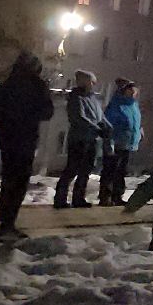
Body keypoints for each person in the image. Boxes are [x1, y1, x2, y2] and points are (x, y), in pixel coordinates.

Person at [0, 52, 54, 241]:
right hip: (26, 138)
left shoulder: (8, 84)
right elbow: (47, 111)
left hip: (9, 138)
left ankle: (5, 221)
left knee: (9, 180)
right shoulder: (37, 85)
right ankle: (8, 223)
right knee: (18, 182)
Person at [54, 70, 109, 209]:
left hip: (92, 139)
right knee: (72, 169)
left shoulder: (92, 98)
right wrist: (97, 128)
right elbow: (79, 118)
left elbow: (100, 116)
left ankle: (79, 198)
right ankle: (60, 198)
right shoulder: (76, 98)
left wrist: (107, 127)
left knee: (86, 170)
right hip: (79, 138)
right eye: (91, 82)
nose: (93, 85)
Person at [99, 79, 142, 205]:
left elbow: (135, 122)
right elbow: (109, 124)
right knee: (110, 169)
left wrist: (139, 132)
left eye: (135, 91)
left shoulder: (133, 105)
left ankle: (117, 195)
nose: (134, 93)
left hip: (127, 143)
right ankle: (105, 196)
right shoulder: (116, 105)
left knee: (121, 171)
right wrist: (110, 142)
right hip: (116, 142)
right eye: (131, 91)